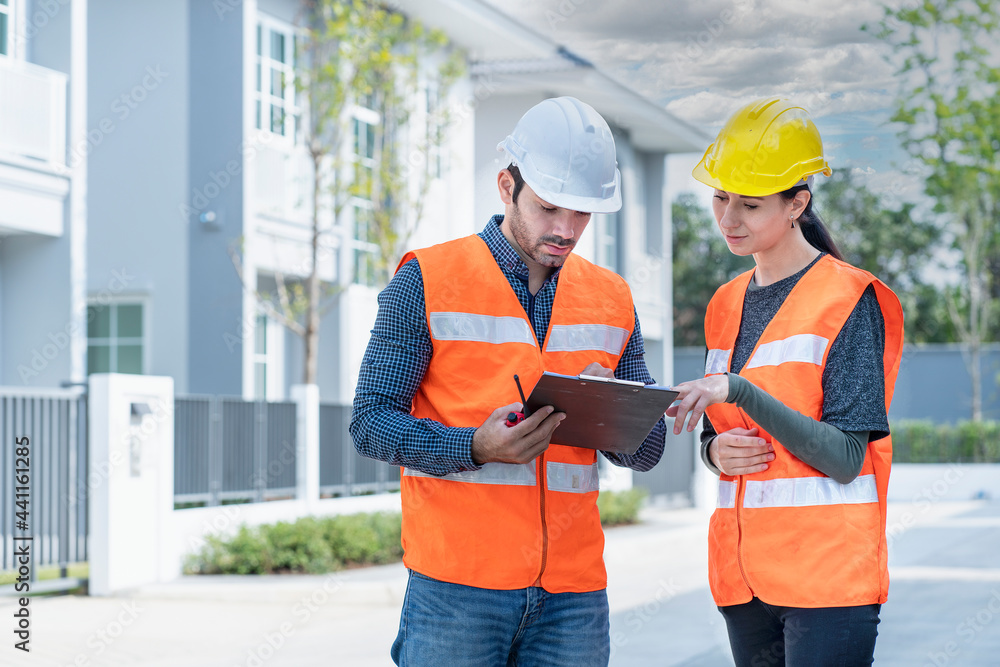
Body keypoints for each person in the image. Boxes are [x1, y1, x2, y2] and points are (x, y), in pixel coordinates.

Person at [349, 96, 666, 666]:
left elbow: (648, 453)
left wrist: (616, 410)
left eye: (582, 214)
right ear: (505, 187)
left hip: (574, 595)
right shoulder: (427, 278)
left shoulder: (613, 298)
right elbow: (369, 423)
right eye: (548, 208)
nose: (566, 230)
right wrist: (473, 446)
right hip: (456, 589)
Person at [666, 97, 905, 666]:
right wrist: (715, 452)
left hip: (827, 583)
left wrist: (743, 391)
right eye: (721, 198)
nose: (728, 219)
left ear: (798, 203)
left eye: (749, 205)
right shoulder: (725, 303)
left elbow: (848, 457)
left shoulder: (848, 299)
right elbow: (721, 431)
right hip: (744, 581)